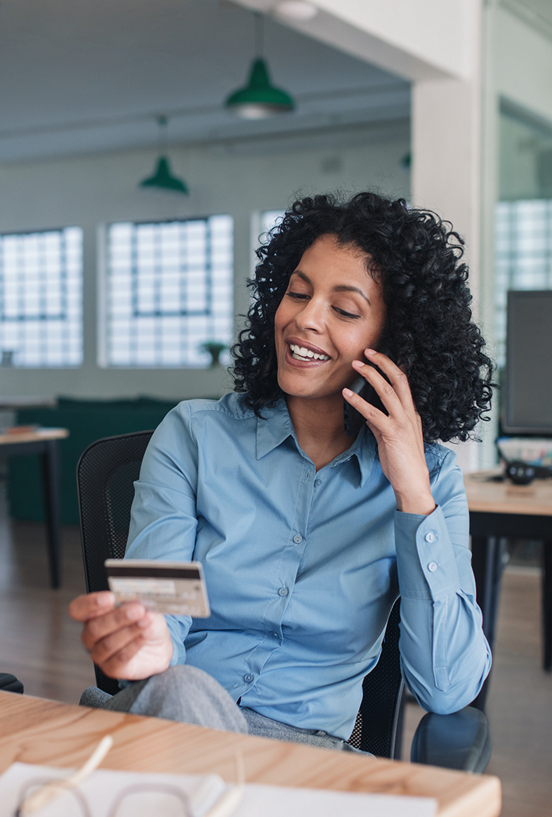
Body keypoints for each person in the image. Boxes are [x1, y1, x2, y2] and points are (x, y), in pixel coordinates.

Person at [69, 192, 495, 752]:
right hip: (169, 723)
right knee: (182, 693)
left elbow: (447, 688)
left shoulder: (430, 480)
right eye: (297, 293)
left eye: (344, 310)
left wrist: (413, 495)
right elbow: (158, 610)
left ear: (396, 344)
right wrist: (146, 643)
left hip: (302, 757)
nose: (305, 319)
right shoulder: (195, 436)